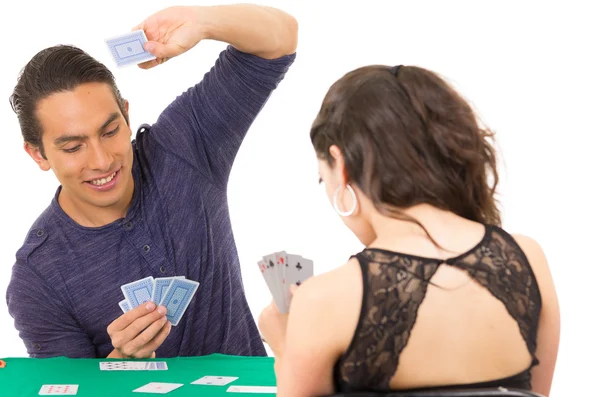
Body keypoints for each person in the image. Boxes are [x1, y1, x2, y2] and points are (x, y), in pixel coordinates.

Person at [6, 4, 297, 359]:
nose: (101, 160)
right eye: (72, 147)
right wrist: (120, 361)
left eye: (110, 131)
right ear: (38, 155)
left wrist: (201, 24)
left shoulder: (183, 147)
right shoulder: (39, 278)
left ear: (126, 115)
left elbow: (281, 39)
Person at [258, 64, 560, 397]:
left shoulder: (323, 300)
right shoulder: (527, 259)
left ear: (340, 165)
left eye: (322, 178)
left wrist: (284, 345)